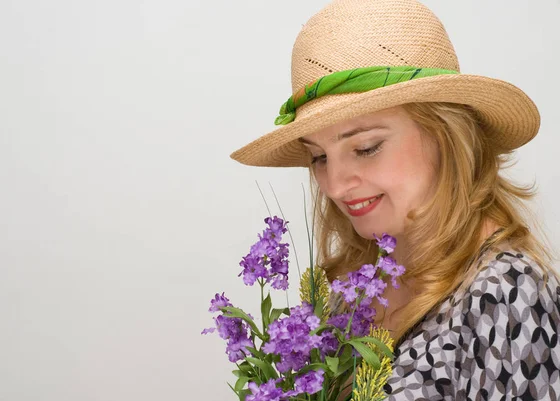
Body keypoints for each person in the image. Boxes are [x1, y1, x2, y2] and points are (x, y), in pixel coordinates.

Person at [229, 0, 560, 399]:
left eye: (366, 147)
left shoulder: (505, 293)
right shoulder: (349, 292)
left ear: (445, 133)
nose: (334, 186)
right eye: (318, 157)